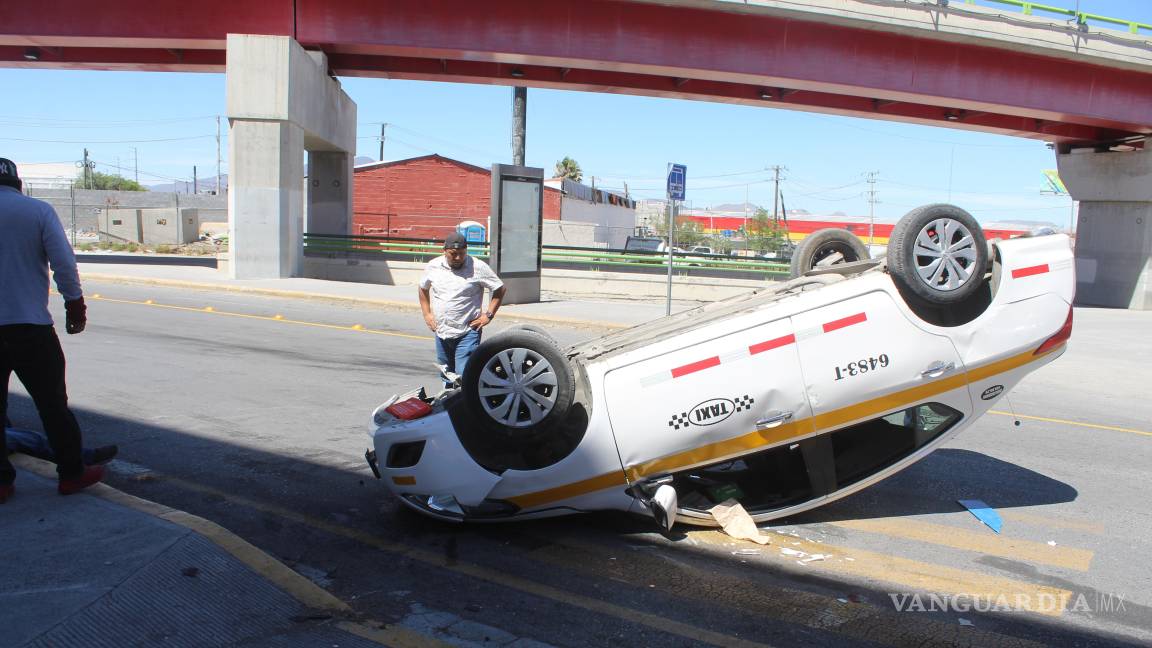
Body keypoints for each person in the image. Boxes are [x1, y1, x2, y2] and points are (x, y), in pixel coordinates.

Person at [0, 157, 103, 504]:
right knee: (53, 405)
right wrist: (75, 307)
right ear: (19, 184)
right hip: (30, 327)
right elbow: (63, 263)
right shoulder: (37, 211)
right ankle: (72, 474)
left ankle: (1, 483)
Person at [418, 232, 506, 386]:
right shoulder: (433, 266)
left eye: (462, 254)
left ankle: (467, 406)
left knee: (463, 374)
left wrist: (488, 315)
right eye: (453, 254)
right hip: (442, 331)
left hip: (467, 331)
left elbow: (499, 288)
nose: (458, 258)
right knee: (447, 374)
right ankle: (448, 405)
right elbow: (423, 288)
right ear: (444, 251)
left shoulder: (477, 266)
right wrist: (427, 314)